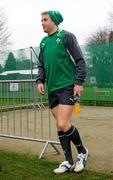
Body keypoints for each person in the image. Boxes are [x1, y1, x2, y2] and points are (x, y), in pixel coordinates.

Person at [36, 10, 88, 174]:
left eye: (45, 19)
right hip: (52, 89)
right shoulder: (43, 42)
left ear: (54, 21)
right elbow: (41, 66)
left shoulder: (66, 36)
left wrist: (79, 82)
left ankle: (82, 152)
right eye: (41, 20)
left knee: (62, 123)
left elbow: (80, 60)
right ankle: (68, 160)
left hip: (67, 85)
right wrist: (39, 80)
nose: (42, 23)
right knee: (60, 126)